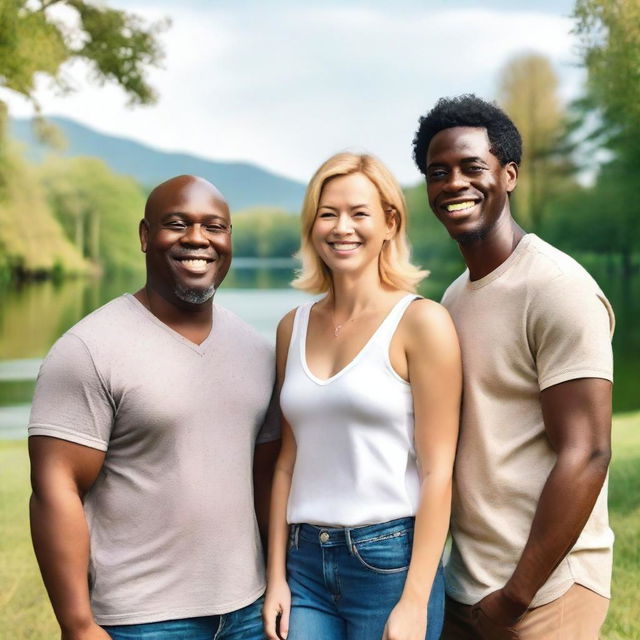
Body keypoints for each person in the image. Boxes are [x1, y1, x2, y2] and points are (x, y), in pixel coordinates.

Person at [28, 175, 279, 639]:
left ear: (228, 240)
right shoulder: (88, 348)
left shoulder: (257, 350)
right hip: (141, 620)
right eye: (178, 224)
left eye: (214, 227)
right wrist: (78, 623)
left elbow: (266, 479)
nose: (197, 239)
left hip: (249, 609)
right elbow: (54, 489)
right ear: (146, 237)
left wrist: (278, 582)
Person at [411, 95, 615, 640]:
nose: (454, 183)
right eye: (438, 172)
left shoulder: (557, 288)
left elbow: (588, 452)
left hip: (545, 591)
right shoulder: (453, 299)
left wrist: (516, 595)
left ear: (509, 175)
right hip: (466, 585)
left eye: (472, 167)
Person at [262, 152, 462, 640]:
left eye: (358, 213)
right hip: (304, 562)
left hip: (388, 561)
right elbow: (288, 461)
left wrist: (415, 600)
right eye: (327, 214)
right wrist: (275, 579)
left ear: (390, 222)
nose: (341, 227)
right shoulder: (293, 326)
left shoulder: (422, 323)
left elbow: (439, 472)